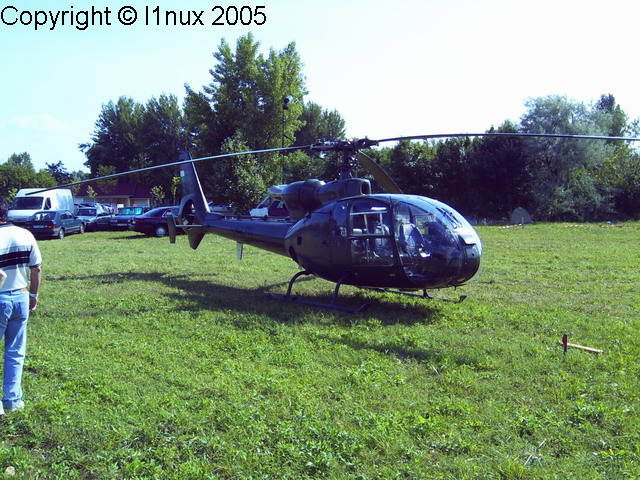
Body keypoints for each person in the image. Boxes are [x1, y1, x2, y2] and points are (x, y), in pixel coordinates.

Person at [0, 197, 42, 415]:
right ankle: (12, 400)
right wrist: (33, 295)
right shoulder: (26, 234)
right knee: (15, 352)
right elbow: (36, 268)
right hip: (21, 297)